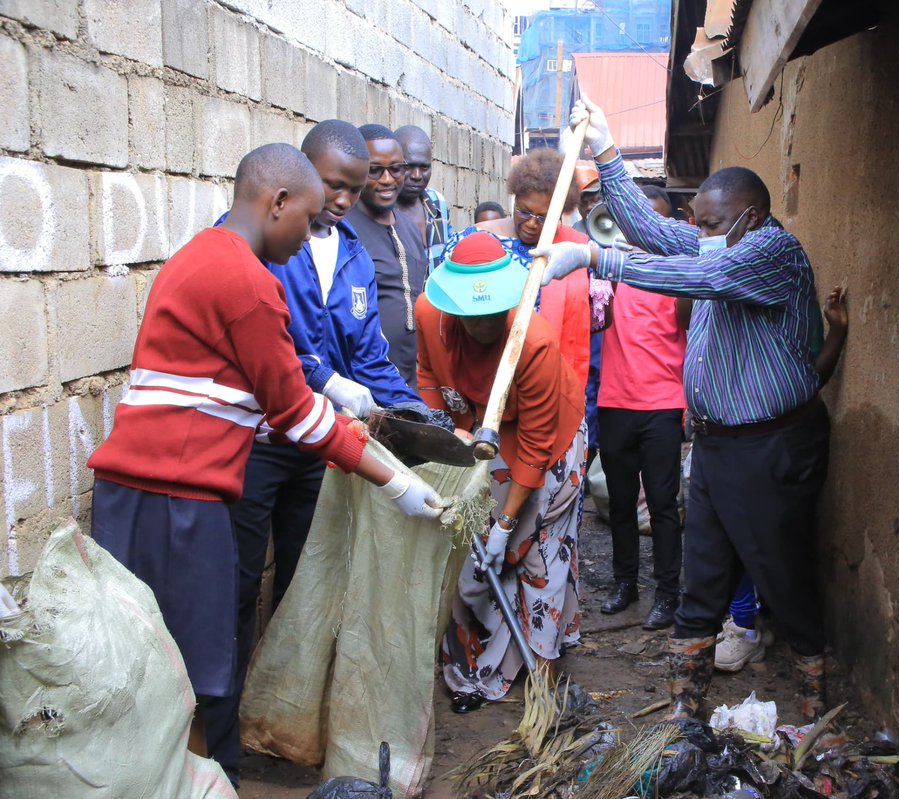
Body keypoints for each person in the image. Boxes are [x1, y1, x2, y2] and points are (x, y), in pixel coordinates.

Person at [87, 144, 446, 758]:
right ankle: (208, 778)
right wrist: (394, 481)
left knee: (149, 661)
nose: (309, 239)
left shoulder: (195, 256)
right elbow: (295, 412)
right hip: (177, 497)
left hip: (137, 490)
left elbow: (237, 400)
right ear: (276, 203)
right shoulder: (249, 283)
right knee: (202, 671)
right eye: (306, 222)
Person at [536, 97, 833, 721]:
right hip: (721, 444)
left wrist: (597, 259)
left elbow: (702, 277)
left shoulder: (774, 255)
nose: (696, 233)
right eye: (696, 221)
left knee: (781, 570)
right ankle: (685, 708)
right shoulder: (721, 242)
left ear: (748, 216)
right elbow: (659, 235)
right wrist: (608, 154)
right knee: (703, 570)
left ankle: (816, 700)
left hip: (771, 444)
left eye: (708, 222)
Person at [203, 121, 448, 784]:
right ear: (302, 177)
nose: (341, 198)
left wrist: (410, 406)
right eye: (331, 185)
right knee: (236, 584)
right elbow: (277, 351)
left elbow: (367, 354)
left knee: (303, 589)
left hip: (323, 448)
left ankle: (286, 726)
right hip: (259, 443)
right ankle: (222, 742)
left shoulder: (351, 255)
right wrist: (333, 385)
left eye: (352, 188)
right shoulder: (257, 243)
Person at [418, 232, 585, 713]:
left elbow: (535, 445)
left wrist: (506, 525)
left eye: (495, 313)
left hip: (548, 443)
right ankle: (481, 664)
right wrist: (446, 435)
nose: (486, 324)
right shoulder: (430, 313)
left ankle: (542, 668)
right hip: (478, 436)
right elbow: (428, 375)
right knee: (472, 558)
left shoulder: (534, 341)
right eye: (473, 316)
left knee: (535, 555)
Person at [715, 286, 848, 672]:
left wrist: (836, 333)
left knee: (768, 542)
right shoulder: (734, 321)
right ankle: (750, 624)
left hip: (786, 443)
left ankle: (752, 630)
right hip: (751, 443)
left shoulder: (786, 321)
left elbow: (811, 378)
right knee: (742, 536)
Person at [596, 184, 691, 631]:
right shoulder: (612, 273)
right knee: (619, 504)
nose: (643, 236)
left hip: (663, 405)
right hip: (615, 402)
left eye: (654, 225)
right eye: (639, 225)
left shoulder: (681, 280)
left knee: (663, 504)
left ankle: (668, 593)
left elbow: (694, 336)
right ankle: (625, 583)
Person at [453, 147, 606, 392]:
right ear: (514, 198)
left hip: (551, 381)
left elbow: (599, 321)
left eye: (544, 217)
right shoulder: (476, 239)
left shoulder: (577, 249)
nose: (532, 223)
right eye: (524, 211)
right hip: (485, 377)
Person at [345, 125, 428, 385]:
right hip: (364, 380)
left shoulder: (410, 229)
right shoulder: (344, 231)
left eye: (395, 169)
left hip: (408, 380)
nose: (388, 179)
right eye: (375, 170)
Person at [395, 125, 455, 269]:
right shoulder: (383, 211)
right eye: (408, 166)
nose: (417, 176)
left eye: (424, 167)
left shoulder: (437, 203)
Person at [573, 161, 603, 236]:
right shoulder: (576, 230)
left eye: (595, 200)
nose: (589, 206)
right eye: (583, 202)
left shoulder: (620, 225)